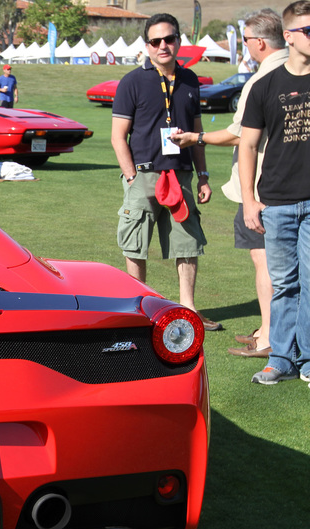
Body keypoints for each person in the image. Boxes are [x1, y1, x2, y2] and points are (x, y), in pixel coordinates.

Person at [171, 9, 288, 358]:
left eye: (248, 41)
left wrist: (197, 137)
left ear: (260, 42)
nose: (246, 47)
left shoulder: (261, 79)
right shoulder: (297, 71)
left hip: (263, 186)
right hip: (290, 184)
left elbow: (240, 134)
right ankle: (270, 329)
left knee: (264, 262)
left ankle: (269, 336)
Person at [111, 13, 219, 330]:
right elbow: (119, 136)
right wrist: (131, 176)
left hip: (181, 175)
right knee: (135, 243)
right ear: (147, 45)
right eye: (155, 41)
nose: (163, 46)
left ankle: (189, 309)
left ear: (178, 41)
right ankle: (138, 308)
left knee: (187, 245)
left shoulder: (190, 80)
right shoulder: (132, 81)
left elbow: (197, 132)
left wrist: (203, 176)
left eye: (168, 39)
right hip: (143, 175)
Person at [238, 0, 310, 385]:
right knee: (284, 284)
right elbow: (247, 146)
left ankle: (309, 360)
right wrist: (249, 200)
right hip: (277, 201)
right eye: (309, 31)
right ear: (288, 36)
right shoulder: (265, 85)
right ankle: (281, 358)